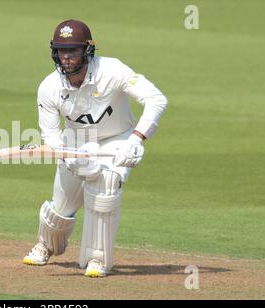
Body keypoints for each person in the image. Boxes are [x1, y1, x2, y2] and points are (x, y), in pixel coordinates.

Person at [23, 19, 168, 277]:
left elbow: (156, 99)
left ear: (87, 50)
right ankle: (46, 245)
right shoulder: (49, 87)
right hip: (76, 143)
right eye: (61, 51)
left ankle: (97, 258)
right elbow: (52, 135)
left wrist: (135, 140)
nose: (66, 58)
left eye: (73, 51)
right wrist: (68, 155)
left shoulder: (113, 70)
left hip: (118, 139)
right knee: (62, 206)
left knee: (106, 185)